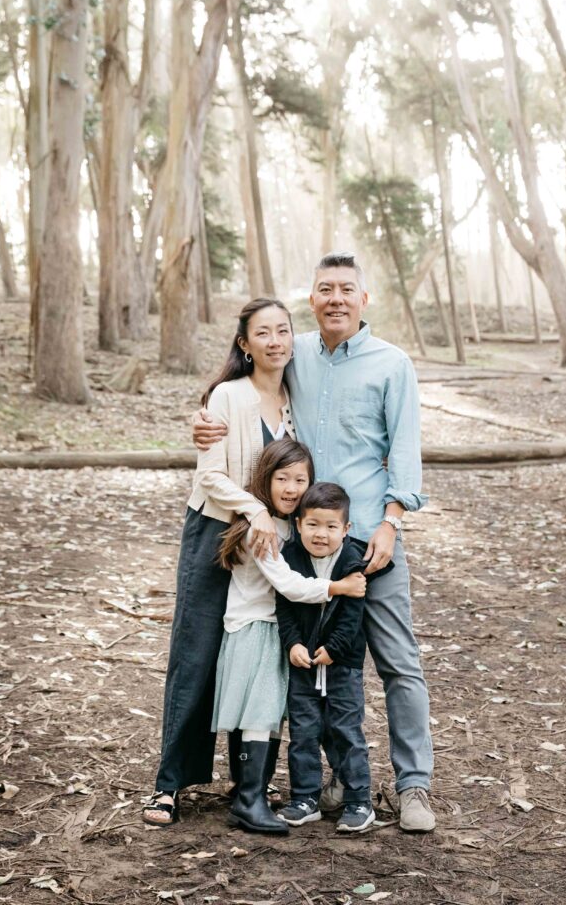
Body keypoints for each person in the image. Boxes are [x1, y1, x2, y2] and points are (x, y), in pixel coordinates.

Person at [193, 252, 435, 833]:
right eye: (325, 289)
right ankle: (337, 779)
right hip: (304, 543)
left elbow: (405, 450)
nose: (336, 299)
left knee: (397, 662)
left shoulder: (391, 363)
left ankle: (414, 787)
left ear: (364, 299)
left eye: (347, 289)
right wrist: (203, 421)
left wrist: (392, 522)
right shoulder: (294, 352)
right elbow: (246, 383)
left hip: (369, 539)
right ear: (312, 298)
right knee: (313, 662)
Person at [142, 297, 300, 827]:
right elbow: (209, 475)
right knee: (198, 651)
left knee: (255, 648)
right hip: (217, 532)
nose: (275, 341)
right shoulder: (228, 396)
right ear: (244, 343)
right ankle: (169, 785)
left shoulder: (295, 399)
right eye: (263, 332)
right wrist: (254, 509)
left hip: (270, 543)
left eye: (283, 330)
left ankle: (247, 781)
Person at [213, 443, 366, 835]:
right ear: (265, 479)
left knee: (272, 714)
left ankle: (253, 792)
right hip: (255, 625)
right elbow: (288, 585)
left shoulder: (287, 526)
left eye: (301, 479)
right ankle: (249, 799)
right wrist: (338, 587)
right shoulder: (259, 528)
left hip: (278, 630)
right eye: (282, 478)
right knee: (259, 713)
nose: (292, 487)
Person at [276, 482, 375, 834]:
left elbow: (352, 616)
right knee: (303, 732)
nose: (321, 534)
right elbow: (285, 607)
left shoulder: (351, 562)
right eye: (313, 524)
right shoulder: (291, 558)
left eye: (331, 526)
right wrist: (292, 644)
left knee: (346, 731)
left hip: (342, 665)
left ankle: (359, 800)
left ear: (345, 529)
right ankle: (305, 798)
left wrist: (335, 648)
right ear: (299, 524)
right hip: (303, 664)